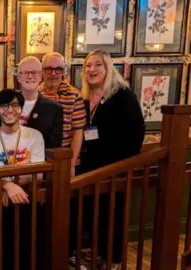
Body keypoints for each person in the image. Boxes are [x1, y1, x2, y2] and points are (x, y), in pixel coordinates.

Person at [70, 50, 145, 270]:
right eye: (88, 65)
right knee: (92, 215)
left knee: (112, 217)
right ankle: (98, 256)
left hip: (115, 169)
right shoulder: (85, 98)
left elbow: (136, 133)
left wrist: (122, 165)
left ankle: (113, 261)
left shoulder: (122, 95)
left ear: (108, 68)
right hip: (90, 168)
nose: (91, 70)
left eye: (97, 65)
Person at [0, 89, 45, 269]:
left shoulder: (34, 135)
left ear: (21, 109)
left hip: (27, 199)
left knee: (28, 254)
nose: (10, 110)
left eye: (15, 105)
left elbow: (38, 173)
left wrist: (12, 186)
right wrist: (7, 186)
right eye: (5, 105)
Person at [0, 56, 64, 149]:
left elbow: (54, 149)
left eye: (34, 72)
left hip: (39, 162)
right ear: (18, 77)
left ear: (41, 76)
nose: (30, 76)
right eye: (25, 72)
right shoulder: (4, 103)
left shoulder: (54, 109)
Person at [38, 52, 86, 175]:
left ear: (63, 71)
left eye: (58, 69)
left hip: (65, 160)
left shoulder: (74, 95)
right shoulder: (35, 94)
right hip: (38, 160)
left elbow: (78, 132)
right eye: (49, 69)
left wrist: (71, 164)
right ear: (42, 71)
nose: (53, 73)